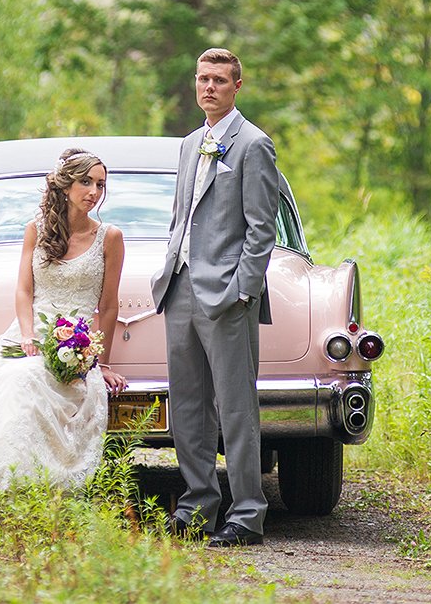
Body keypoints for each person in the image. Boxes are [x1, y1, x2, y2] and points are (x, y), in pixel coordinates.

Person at [0, 148, 129, 510]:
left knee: (25, 379)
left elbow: (108, 305)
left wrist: (101, 362)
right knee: (1, 378)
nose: (93, 191)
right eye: (85, 182)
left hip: (76, 343)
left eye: (100, 185)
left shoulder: (110, 237)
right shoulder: (37, 230)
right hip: (27, 333)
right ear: (65, 186)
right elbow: (24, 290)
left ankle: (11, 488)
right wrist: (28, 335)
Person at [151, 48, 279, 548]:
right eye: (203, 79)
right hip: (180, 287)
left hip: (227, 296)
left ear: (237, 86)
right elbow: (180, 215)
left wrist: (243, 291)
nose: (210, 88)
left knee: (236, 407)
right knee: (187, 405)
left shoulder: (253, 144)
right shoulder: (188, 144)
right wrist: (168, 267)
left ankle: (247, 514)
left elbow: (260, 229)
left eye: (220, 80)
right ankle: (196, 505)